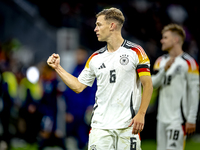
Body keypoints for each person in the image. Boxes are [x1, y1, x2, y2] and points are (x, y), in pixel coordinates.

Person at [47, 7, 153, 150]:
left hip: (128, 127)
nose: (95, 29)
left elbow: (148, 85)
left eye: (99, 24)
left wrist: (141, 114)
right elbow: (78, 86)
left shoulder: (136, 52)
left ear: (112, 26)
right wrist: (58, 68)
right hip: (100, 127)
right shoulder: (95, 58)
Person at [152, 24, 199, 150]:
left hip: (178, 120)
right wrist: (164, 70)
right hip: (161, 119)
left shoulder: (189, 63)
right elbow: (153, 84)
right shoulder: (160, 61)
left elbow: (195, 92)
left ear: (175, 40)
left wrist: (191, 119)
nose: (162, 40)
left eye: (165, 37)